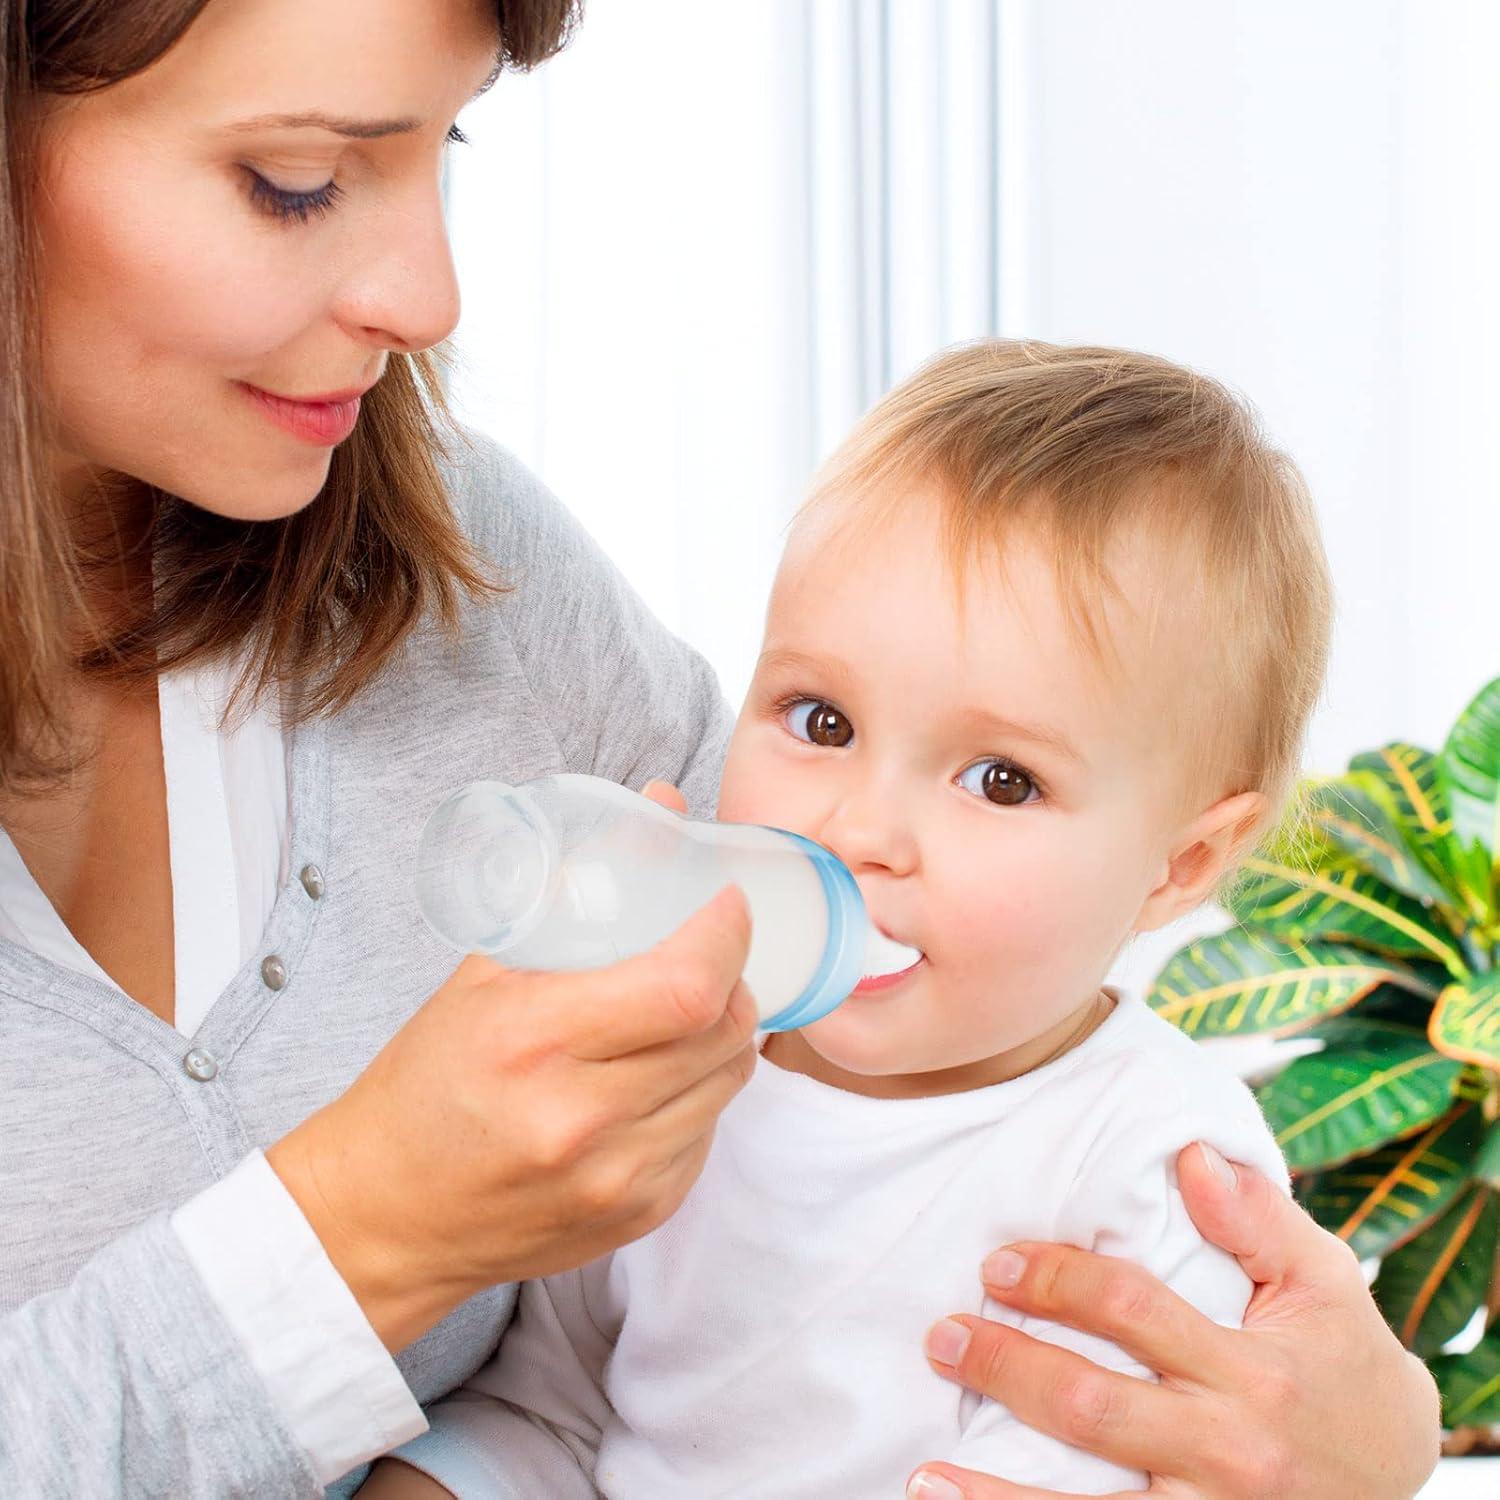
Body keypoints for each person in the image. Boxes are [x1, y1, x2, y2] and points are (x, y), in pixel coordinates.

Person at [0, 2, 1438, 1497]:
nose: (428, 298)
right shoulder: (736, 1090)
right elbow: (552, 1405)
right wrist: (364, 1253)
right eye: (294, 177)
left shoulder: (469, 580)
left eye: (450, 142)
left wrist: (1367, 1437)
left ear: (1189, 860)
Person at [361, 342, 1342, 1497]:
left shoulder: (1146, 1160)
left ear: (1179, 865)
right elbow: (556, 1407)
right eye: (821, 721)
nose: (861, 826)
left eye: (1001, 780)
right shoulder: (682, 1069)